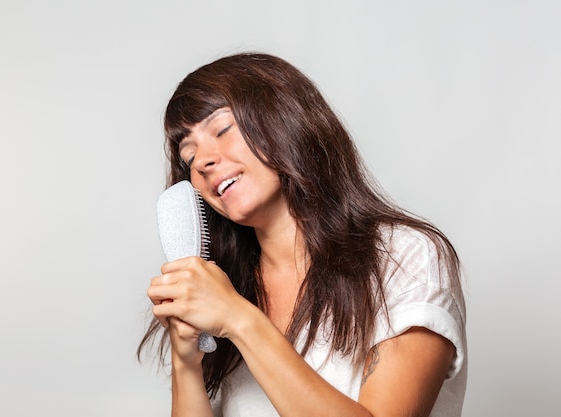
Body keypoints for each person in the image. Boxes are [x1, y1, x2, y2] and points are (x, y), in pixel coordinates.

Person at [139, 52, 467, 417]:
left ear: (283, 121)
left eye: (221, 129)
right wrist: (186, 361)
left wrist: (239, 320)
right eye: (188, 156)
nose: (202, 161)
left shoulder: (404, 257)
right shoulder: (229, 285)